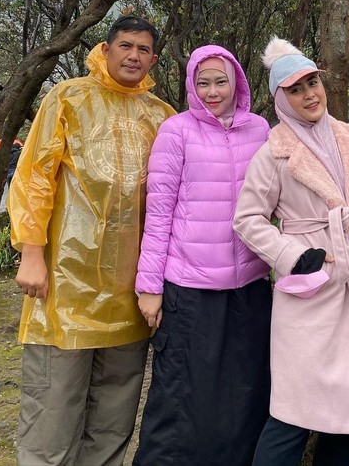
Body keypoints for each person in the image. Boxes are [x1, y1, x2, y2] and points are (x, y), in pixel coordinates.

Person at [8, 15, 175, 466]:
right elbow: (35, 177)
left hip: (131, 290)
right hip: (66, 282)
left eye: (143, 49)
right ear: (106, 49)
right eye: (125, 46)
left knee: (115, 412)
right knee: (54, 405)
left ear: (154, 59)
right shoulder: (68, 97)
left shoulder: (162, 117)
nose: (133, 56)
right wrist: (32, 252)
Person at [233, 37, 349, 466]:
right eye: (295, 89)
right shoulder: (274, 152)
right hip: (313, 286)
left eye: (312, 83)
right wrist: (293, 256)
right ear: (280, 98)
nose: (309, 95)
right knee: (293, 409)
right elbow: (247, 220)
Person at [133, 45, 272, 466]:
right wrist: (149, 288)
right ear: (192, 85)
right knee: (181, 390)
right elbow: (158, 215)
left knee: (244, 387)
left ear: (238, 83)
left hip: (249, 285)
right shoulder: (176, 131)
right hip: (189, 287)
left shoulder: (260, 130)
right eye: (203, 82)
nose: (213, 91)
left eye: (221, 81)